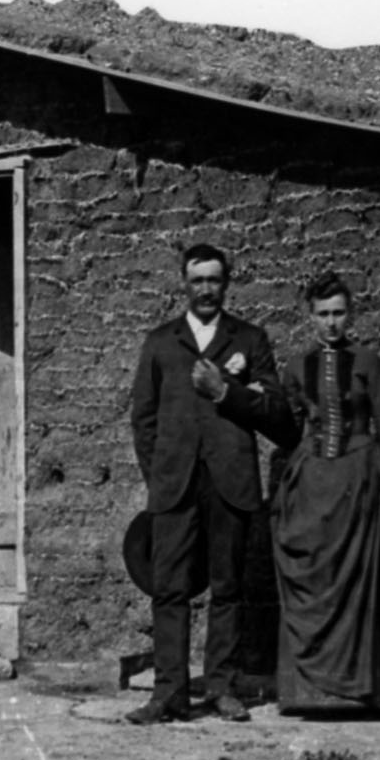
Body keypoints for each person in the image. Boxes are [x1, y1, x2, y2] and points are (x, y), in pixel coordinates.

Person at [126, 242, 295, 724]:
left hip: (231, 481)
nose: (206, 289)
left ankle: (221, 688)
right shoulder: (161, 342)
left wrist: (228, 393)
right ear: (184, 282)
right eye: (197, 280)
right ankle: (169, 694)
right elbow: (143, 419)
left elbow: (279, 416)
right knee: (170, 589)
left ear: (227, 283)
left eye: (214, 280)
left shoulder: (250, 339)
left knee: (228, 588)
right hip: (175, 484)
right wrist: (159, 474)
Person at [272, 272, 380, 713]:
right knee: (313, 576)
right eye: (323, 314)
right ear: (310, 317)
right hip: (313, 483)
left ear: (351, 314)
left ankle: (354, 692)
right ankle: (308, 694)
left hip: (357, 481)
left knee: (353, 585)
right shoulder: (296, 366)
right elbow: (287, 426)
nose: (332, 323)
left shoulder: (368, 361)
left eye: (339, 313)